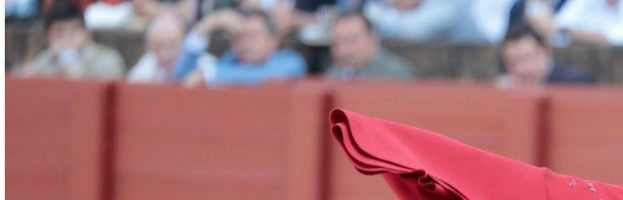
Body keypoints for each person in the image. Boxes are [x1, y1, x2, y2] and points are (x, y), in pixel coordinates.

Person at [174, 7, 308, 87]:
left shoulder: (290, 62)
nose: (245, 43)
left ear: (273, 40)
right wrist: (205, 27)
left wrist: (209, 75)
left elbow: (267, 77)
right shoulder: (228, 62)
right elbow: (181, 77)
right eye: (239, 36)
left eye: (253, 36)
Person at [14, 0, 126, 79]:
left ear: (86, 33)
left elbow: (84, 92)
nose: (67, 37)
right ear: (48, 35)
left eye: (74, 30)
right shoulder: (45, 59)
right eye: (59, 31)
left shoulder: (107, 59)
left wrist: (67, 57)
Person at [496, 19, 593, 86]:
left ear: (546, 52)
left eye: (526, 59)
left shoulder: (574, 82)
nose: (521, 69)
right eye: (512, 63)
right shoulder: (508, 87)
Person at [127, 8, 214, 82]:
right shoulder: (146, 66)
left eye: (172, 46)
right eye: (158, 47)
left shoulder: (206, 64)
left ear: (184, 41)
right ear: (148, 46)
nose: (165, 54)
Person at [324, 10, 415, 80]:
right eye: (337, 42)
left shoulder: (396, 74)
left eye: (352, 40)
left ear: (373, 38)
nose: (343, 50)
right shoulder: (333, 74)